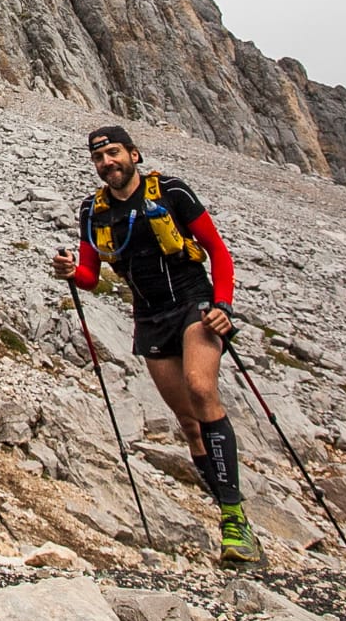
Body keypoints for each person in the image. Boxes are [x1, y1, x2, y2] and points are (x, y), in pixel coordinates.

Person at [52, 125, 261, 563]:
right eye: (99, 158)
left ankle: (233, 517)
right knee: (187, 424)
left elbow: (218, 251)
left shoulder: (172, 191)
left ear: (134, 153)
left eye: (113, 153)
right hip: (148, 315)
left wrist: (223, 303)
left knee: (201, 389)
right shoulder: (93, 211)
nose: (107, 163)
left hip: (194, 304)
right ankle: (226, 507)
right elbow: (91, 277)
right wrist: (72, 272)